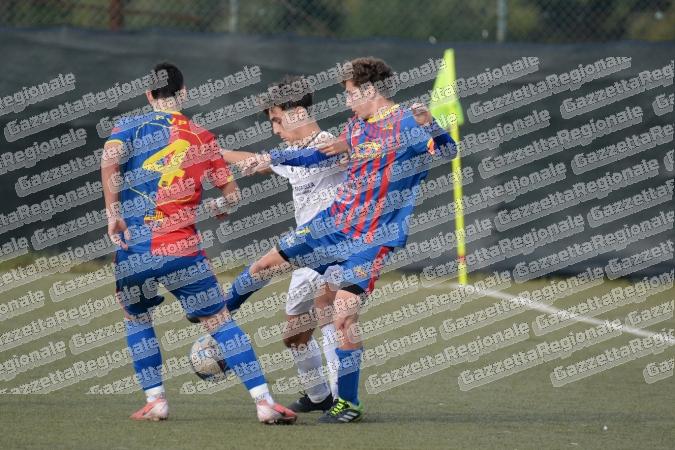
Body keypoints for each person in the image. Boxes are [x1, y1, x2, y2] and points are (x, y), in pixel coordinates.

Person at [217, 57, 457, 423]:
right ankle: (216, 320)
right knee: (264, 265)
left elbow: (448, 152)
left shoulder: (408, 122)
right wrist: (271, 156)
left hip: (373, 237)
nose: (345, 100)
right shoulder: (355, 127)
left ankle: (348, 404)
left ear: (368, 90)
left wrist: (432, 126)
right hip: (333, 223)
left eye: (349, 93)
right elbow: (316, 154)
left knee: (343, 315)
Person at [101, 61, 296, 424]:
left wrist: (113, 213)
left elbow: (109, 162)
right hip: (183, 250)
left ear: (149, 94)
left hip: (135, 249)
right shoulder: (203, 137)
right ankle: (264, 401)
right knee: (219, 322)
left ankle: (156, 400)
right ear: (184, 93)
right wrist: (219, 206)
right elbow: (232, 195)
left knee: (136, 316)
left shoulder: (128, 126)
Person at [215, 75, 345, 412]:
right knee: (294, 337)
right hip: (303, 252)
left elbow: (313, 158)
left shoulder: (329, 145)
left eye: (276, 119)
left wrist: (271, 158)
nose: (274, 128)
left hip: (332, 246)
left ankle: (343, 400)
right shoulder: (291, 151)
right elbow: (260, 161)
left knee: (327, 310)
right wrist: (217, 153)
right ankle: (320, 397)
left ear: (297, 112)